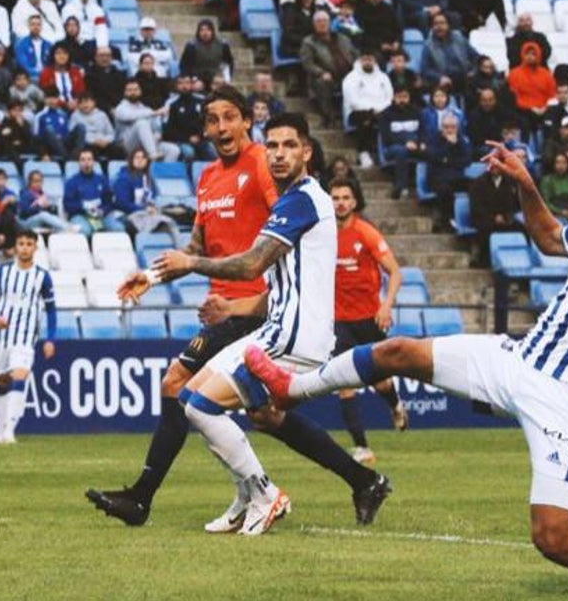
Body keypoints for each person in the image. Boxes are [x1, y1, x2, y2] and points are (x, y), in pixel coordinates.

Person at [246, 131, 568, 589]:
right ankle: (292, 389)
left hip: (566, 400)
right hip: (515, 360)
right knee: (396, 350)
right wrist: (523, 180)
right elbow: (544, 235)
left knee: (555, 540)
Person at [89, 96, 387, 529]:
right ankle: (351, 480)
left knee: (184, 387)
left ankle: (157, 497)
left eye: (231, 117)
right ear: (205, 130)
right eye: (213, 120)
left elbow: (261, 256)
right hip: (242, 305)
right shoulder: (209, 179)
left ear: (248, 123)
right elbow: (195, 247)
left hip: (258, 311)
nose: (222, 126)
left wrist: (236, 296)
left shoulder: (269, 174)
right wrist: (152, 278)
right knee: (259, 414)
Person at [327, 177, 407, 464]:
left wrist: (386, 306)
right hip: (339, 321)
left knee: (381, 383)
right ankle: (361, 447)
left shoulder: (366, 233)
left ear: (354, 201)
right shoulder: (323, 235)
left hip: (368, 319)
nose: (340, 203)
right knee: (343, 383)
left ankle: (395, 404)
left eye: (345, 197)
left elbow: (395, 272)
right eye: (335, 198)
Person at [0, 230, 57, 444]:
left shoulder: (42, 276)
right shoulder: (3, 272)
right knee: (0, 380)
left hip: (26, 337)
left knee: (20, 375)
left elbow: (52, 309)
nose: (25, 247)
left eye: (29, 244)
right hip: (0, 337)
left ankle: (10, 432)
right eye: (21, 243)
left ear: (35, 248)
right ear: (16, 247)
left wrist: (51, 338)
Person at [112, 149, 185, 248]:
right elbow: (121, 203)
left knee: (170, 223)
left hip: (147, 213)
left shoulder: (148, 178)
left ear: (147, 161)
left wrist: (152, 207)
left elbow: (152, 197)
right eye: (137, 157)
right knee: (166, 224)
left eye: (143, 158)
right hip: (130, 214)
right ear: (131, 160)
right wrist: (144, 209)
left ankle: (181, 252)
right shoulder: (123, 178)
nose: (140, 160)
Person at [300, 10, 357, 127]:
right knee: (322, 82)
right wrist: (322, 72)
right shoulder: (308, 42)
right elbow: (307, 64)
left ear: (330, 23)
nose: (322, 24)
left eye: (325, 21)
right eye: (319, 21)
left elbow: (355, 55)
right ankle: (328, 117)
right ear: (314, 24)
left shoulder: (343, 38)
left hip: (348, 75)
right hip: (326, 76)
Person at [342, 51, 393, 168]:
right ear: (360, 61)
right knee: (365, 119)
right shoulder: (351, 78)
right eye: (365, 59)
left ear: (374, 61)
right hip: (358, 111)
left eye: (370, 59)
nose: (368, 62)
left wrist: (379, 109)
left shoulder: (383, 77)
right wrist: (371, 109)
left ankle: (386, 153)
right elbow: (352, 100)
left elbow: (389, 97)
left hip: (381, 110)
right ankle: (363, 152)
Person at [63, 148, 124, 236]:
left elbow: (109, 201)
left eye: (89, 159)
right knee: (85, 231)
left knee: (118, 228)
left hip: (101, 214)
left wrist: (102, 211)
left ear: (93, 162)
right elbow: (67, 205)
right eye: (83, 160)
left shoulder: (102, 179)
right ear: (79, 163)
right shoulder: (71, 182)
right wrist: (83, 206)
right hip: (80, 215)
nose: (86, 162)